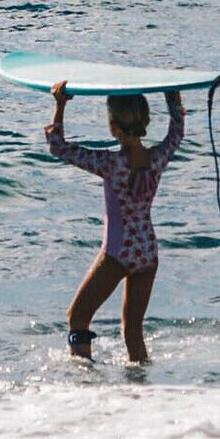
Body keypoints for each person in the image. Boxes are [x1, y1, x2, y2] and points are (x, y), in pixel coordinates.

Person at [45, 83, 185, 366]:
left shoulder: (111, 163)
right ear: (145, 122)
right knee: (133, 330)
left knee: (78, 317)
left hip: (118, 253)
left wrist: (60, 105)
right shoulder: (158, 158)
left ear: (113, 127)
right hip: (148, 251)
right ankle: (143, 391)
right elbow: (176, 132)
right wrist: (173, 95)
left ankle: (85, 385)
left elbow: (59, 147)